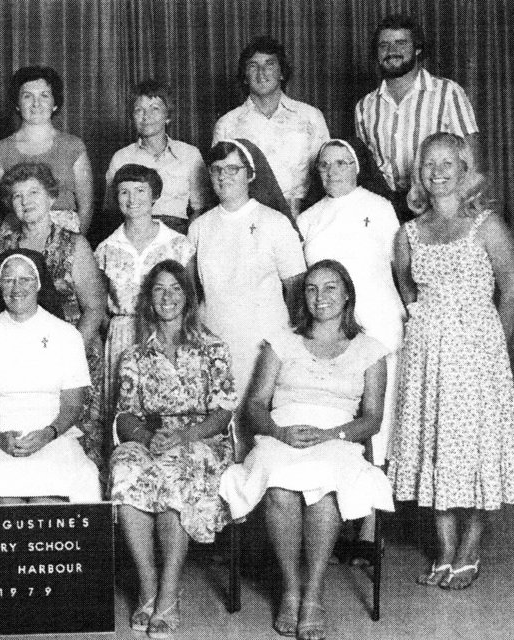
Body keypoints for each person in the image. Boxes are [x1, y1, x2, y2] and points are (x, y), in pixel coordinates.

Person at [219, 260, 395, 640]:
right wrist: (279, 433)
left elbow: (373, 419)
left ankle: (313, 594)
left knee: (325, 487)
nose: (321, 297)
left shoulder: (370, 350)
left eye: (331, 288)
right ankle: (291, 589)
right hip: (282, 431)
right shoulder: (282, 342)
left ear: (347, 294)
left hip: (339, 436)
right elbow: (254, 406)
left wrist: (334, 433)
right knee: (279, 485)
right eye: (312, 289)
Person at [387, 132, 514, 590]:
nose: (438, 171)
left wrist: (492, 348)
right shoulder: (407, 232)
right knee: (435, 446)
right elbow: (409, 292)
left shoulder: (486, 225)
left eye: (448, 162)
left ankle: (469, 549)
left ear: (464, 169)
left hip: (477, 354)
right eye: (429, 164)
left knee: (474, 448)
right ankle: (444, 549)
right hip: (428, 353)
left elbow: (512, 293)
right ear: (419, 174)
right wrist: (433, 329)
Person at [111, 260, 236, 639]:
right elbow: (124, 415)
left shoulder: (212, 346)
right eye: (159, 289)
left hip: (203, 440)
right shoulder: (134, 355)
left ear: (188, 296)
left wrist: (183, 438)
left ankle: (168, 591)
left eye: (175, 289)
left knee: (175, 469)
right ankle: (148, 583)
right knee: (125, 468)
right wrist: (148, 439)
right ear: (149, 298)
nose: (167, 297)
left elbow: (224, 411)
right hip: (153, 436)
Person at [0, 162, 107, 469]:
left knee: (77, 445)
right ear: (9, 204)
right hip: (16, 359)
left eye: (34, 192)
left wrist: (69, 352)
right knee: (21, 440)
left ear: (51, 197)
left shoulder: (74, 244)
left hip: (73, 355)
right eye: (17, 196)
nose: (26, 201)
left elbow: (94, 306)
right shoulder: (0, 248)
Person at [0, 250, 101, 504]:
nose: (17, 288)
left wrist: (47, 434)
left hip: (55, 436)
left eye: (26, 279)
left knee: (50, 502)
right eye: (9, 280)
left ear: (39, 283)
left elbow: (73, 404)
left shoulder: (67, 335)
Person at [298, 140, 403, 463]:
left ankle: (385, 500)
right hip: (332, 331)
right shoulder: (308, 219)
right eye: (325, 165)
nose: (333, 171)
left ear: (357, 166)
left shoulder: (380, 207)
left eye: (342, 163)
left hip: (379, 321)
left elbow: (403, 268)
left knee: (384, 413)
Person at [188, 139, 305, 406]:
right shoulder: (199, 227)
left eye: (233, 169)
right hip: (215, 341)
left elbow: (296, 289)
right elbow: (194, 291)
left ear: (250, 174)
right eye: (217, 169)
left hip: (263, 343)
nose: (223, 176)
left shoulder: (275, 223)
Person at [355, 14, 480, 223]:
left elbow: (472, 154)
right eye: (383, 45)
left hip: (438, 202)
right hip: (387, 208)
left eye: (401, 43)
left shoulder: (448, 92)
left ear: (417, 48)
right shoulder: (364, 106)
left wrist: (461, 208)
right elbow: (366, 167)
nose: (392, 51)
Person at [94, 164, 193, 419]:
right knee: (124, 413)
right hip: (122, 337)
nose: (132, 199)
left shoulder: (178, 244)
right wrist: (117, 330)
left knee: (167, 408)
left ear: (155, 196)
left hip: (167, 335)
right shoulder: (105, 249)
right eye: (124, 192)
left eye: (140, 191)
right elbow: (97, 306)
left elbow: (192, 297)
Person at [212, 36, 329, 219]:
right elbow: (220, 178)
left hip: (302, 215)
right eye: (253, 66)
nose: (261, 73)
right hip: (249, 218)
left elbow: (324, 172)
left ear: (282, 73)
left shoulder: (310, 117)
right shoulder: (228, 124)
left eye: (269, 64)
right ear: (244, 77)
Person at [0, 65, 93, 235]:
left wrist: (74, 246)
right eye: (28, 96)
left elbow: (86, 205)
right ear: (18, 104)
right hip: (18, 235)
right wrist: (9, 243)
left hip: (65, 235)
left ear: (55, 103)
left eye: (44, 95)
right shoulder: (0, 150)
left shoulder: (73, 146)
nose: (36, 103)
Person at [105, 80, 208, 234]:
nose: (146, 116)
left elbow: (200, 209)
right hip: (134, 234)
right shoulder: (121, 158)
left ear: (168, 117)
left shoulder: (189, 154)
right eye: (139, 110)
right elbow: (111, 211)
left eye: (155, 109)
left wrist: (187, 242)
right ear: (132, 117)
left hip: (178, 234)